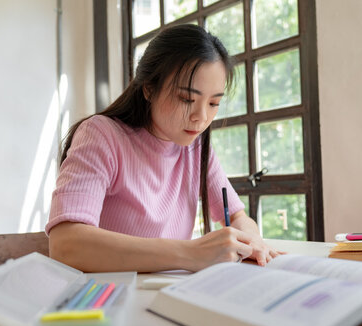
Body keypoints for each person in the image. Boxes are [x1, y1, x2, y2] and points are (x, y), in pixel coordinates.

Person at [46, 24, 280, 273]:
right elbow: (65, 245)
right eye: (186, 99)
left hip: (170, 293)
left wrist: (250, 240)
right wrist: (191, 253)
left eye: (214, 103)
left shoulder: (196, 148)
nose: (201, 117)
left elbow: (237, 216)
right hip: (107, 299)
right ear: (148, 88)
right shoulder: (101, 135)